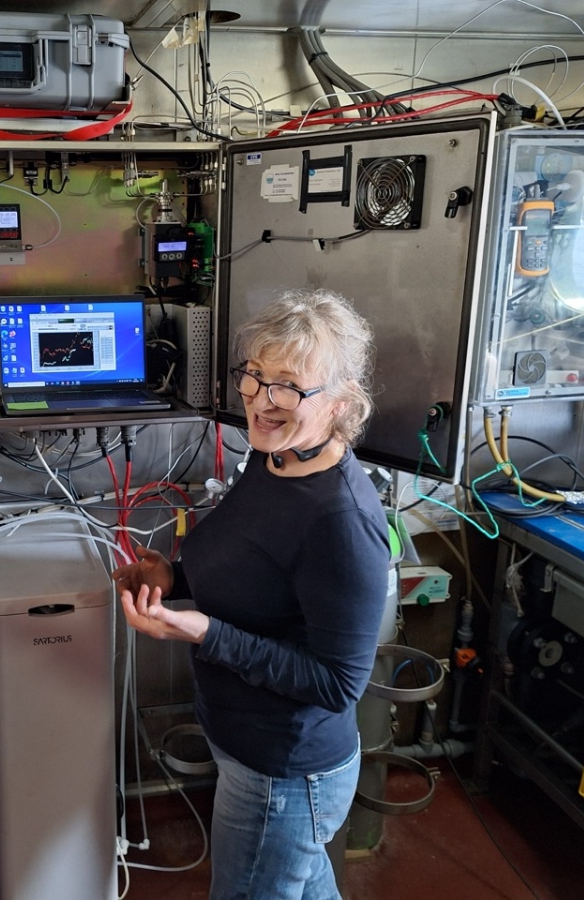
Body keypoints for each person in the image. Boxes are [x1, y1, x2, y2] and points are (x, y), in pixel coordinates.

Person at [113, 289, 389, 900]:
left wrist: (203, 630)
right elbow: (254, 571)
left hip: (285, 773)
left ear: (341, 403)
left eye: (289, 385)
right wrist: (175, 579)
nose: (261, 401)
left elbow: (337, 684)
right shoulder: (275, 460)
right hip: (243, 743)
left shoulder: (341, 520)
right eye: (255, 376)